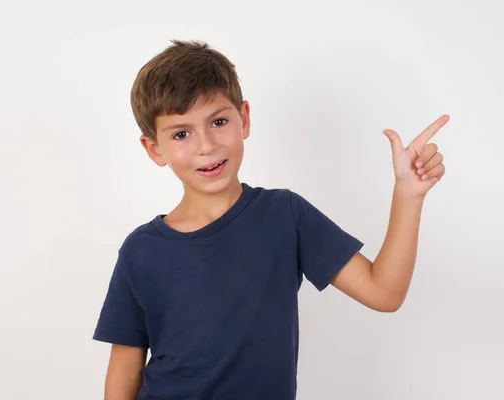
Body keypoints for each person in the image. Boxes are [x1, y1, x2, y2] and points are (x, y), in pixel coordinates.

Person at [92, 39, 449, 400]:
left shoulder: (285, 216)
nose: (206, 145)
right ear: (155, 148)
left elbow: (383, 292)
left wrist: (408, 195)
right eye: (182, 133)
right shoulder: (141, 251)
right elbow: (124, 371)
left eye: (218, 121)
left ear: (243, 118)